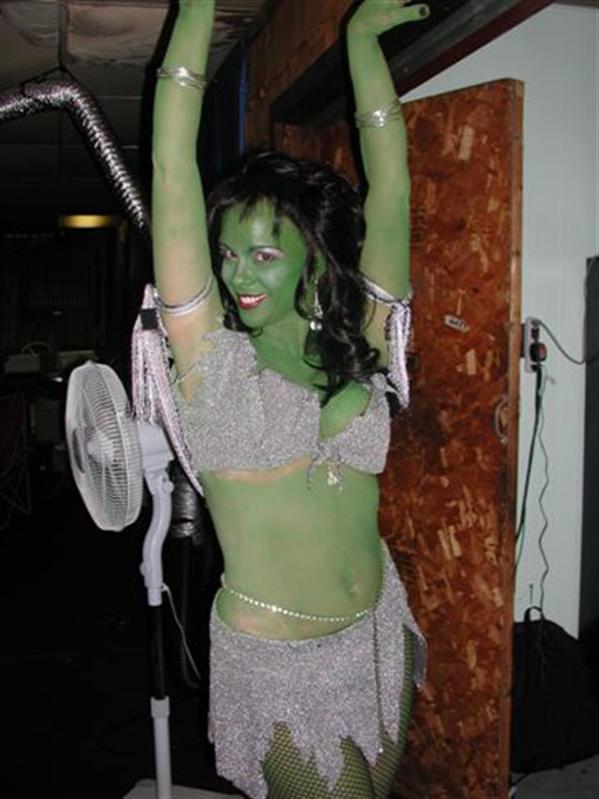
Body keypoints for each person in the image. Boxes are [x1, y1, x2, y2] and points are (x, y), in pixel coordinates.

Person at [150, 1, 429, 797]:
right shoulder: (209, 360)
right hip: (278, 661)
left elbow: (392, 188)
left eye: (264, 254)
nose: (237, 274)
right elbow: (170, 165)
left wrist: (361, 41)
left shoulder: (357, 338)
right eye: (228, 253)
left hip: (375, 630)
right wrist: (197, 8)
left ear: (311, 254)